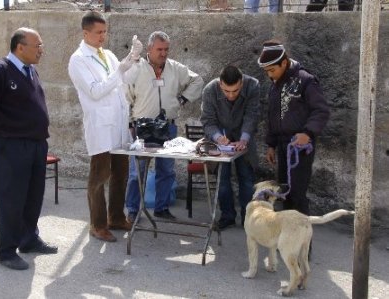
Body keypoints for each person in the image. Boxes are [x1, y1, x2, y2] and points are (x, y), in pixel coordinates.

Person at [0, 27, 58, 270]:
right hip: (11, 146)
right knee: (10, 199)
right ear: (20, 47)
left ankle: (28, 239)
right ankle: (7, 251)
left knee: (32, 196)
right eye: (37, 45)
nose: (42, 50)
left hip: (35, 145)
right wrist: (0, 136)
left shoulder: (31, 71)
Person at [68, 11, 143, 242]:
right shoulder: (78, 60)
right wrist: (121, 69)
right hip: (100, 125)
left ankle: (116, 217)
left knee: (120, 173)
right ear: (85, 32)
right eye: (99, 32)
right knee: (99, 176)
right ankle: (97, 225)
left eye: (105, 32)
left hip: (118, 124)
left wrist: (133, 60)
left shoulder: (108, 55)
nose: (103, 36)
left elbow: (125, 80)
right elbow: (95, 91)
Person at [124, 31, 204, 222]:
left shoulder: (175, 68)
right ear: (150, 49)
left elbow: (197, 80)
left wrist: (183, 99)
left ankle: (161, 207)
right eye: (159, 49)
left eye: (166, 49)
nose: (163, 53)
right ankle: (133, 209)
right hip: (142, 127)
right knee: (137, 172)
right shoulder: (136, 68)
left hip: (167, 127)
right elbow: (126, 95)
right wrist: (129, 122)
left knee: (166, 170)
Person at [257, 40, 330, 216]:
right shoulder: (275, 85)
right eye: (267, 71)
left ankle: (304, 242)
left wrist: (308, 133)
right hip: (282, 146)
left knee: (297, 195)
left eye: (272, 70)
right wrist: (271, 145)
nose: (270, 75)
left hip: (299, 147)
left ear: (284, 62)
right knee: (284, 193)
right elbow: (272, 116)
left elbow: (321, 111)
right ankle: (289, 239)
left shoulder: (306, 80)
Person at [200, 65, 261, 230]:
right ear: (220, 84)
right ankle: (227, 215)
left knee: (247, 179)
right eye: (227, 91)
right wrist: (219, 137)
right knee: (222, 180)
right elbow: (208, 121)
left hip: (244, 137)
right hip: (220, 139)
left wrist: (244, 139)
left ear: (242, 83)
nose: (231, 95)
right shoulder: (210, 90)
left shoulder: (252, 85)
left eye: (235, 91)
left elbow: (252, 115)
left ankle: (249, 218)